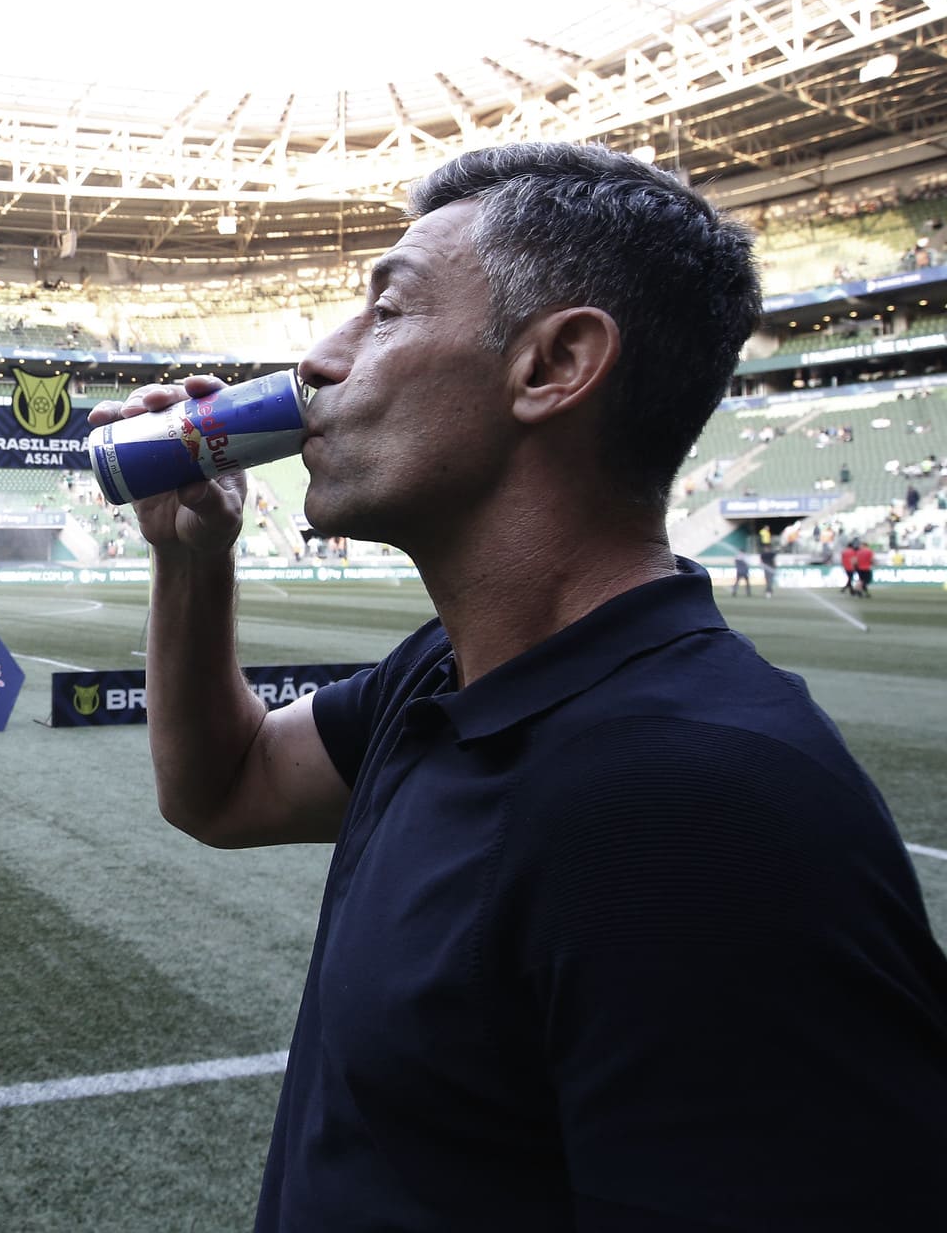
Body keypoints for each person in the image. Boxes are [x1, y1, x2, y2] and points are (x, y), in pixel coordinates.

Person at [92, 142, 947, 1231]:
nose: (315, 358)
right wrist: (189, 557)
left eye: (386, 309)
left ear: (551, 366)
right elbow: (225, 786)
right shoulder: (442, 674)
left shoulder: (699, 807)